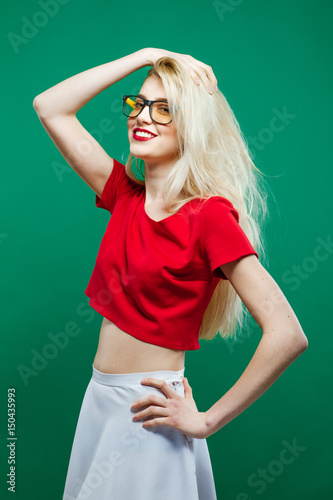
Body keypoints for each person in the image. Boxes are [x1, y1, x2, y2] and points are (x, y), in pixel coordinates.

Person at [33, 47, 308, 500]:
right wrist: (146, 55)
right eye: (139, 104)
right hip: (98, 399)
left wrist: (206, 421)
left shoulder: (208, 218)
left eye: (166, 109)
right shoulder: (123, 194)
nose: (143, 116)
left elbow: (287, 333)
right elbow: (50, 106)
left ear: (194, 125)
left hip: (147, 411)